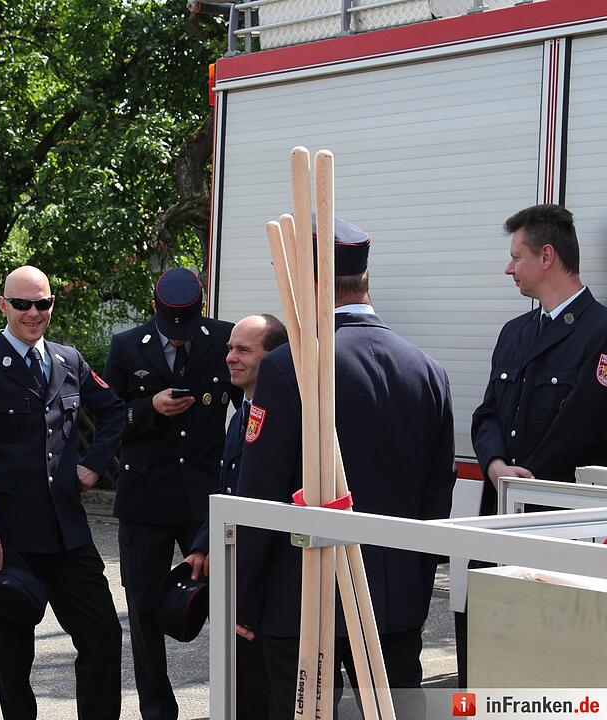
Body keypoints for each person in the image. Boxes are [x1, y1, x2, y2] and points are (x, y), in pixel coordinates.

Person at [235, 220, 455, 720]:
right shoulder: (427, 369)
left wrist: (243, 597)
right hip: (395, 599)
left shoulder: (290, 364)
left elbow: (262, 491)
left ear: (312, 281)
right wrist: (415, 596)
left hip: (301, 596)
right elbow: (433, 502)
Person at [0, 265, 126, 720]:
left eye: (43, 303)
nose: (33, 313)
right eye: (23, 303)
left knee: (103, 636)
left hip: (67, 532)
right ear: (3, 305)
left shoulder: (69, 361)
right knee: (13, 657)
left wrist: (92, 465)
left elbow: (114, 412)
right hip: (12, 539)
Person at [460, 203, 607, 686]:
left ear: (547, 256)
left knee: (552, 670)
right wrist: (497, 463)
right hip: (502, 516)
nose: (508, 268)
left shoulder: (599, 332)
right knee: (484, 655)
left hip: (560, 526)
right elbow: (487, 414)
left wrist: (527, 481)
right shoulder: (515, 333)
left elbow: (582, 427)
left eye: (515, 257)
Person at [101, 268, 241, 720]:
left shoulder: (224, 340)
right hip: (146, 499)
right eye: (170, 334)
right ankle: (158, 710)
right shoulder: (127, 346)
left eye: (184, 333)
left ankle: (236, 702)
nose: (178, 342)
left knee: (230, 603)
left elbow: (248, 411)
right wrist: (149, 409)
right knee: (143, 608)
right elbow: (107, 418)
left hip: (206, 498)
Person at [182, 313, 287, 719]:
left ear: (275, 358)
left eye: (243, 349)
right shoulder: (243, 411)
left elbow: (265, 509)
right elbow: (231, 491)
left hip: (263, 589)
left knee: (262, 698)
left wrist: (247, 595)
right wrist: (203, 544)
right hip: (238, 577)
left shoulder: (279, 418)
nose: (231, 357)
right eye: (229, 348)